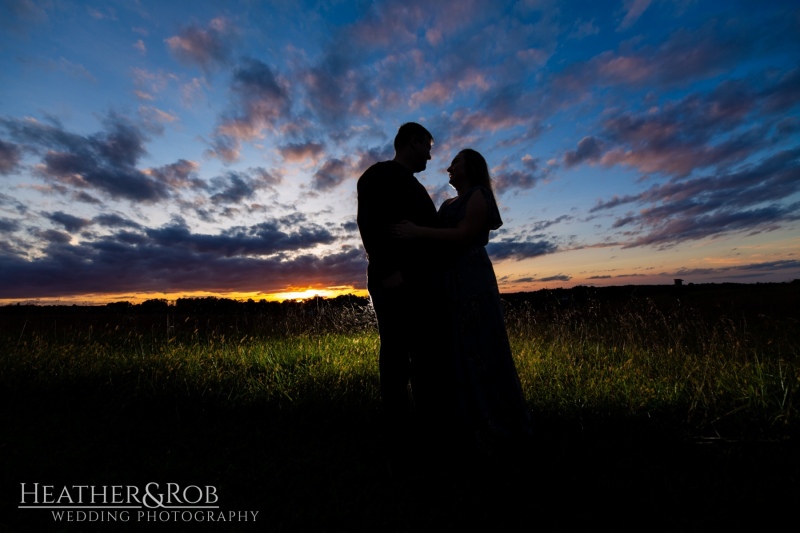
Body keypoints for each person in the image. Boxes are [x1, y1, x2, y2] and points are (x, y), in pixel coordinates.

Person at [392, 148, 532, 450]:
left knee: (479, 342)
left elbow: (466, 235)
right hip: (447, 278)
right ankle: (462, 419)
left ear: (470, 166)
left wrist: (417, 233)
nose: (448, 168)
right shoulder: (447, 202)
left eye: (455, 163)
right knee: (454, 345)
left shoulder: (479, 195)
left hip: (470, 276)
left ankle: (494, 421)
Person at [356, 122, 445, 452]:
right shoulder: (379, 176)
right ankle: (398, 437)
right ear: (412, 142)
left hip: (420, 284)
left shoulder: (415, 187)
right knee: (396, 358)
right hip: (394, 281)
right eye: (428, 147)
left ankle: (426, 429)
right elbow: (369, 222)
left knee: (423, 356)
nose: (431, 156)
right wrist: (386, 270)